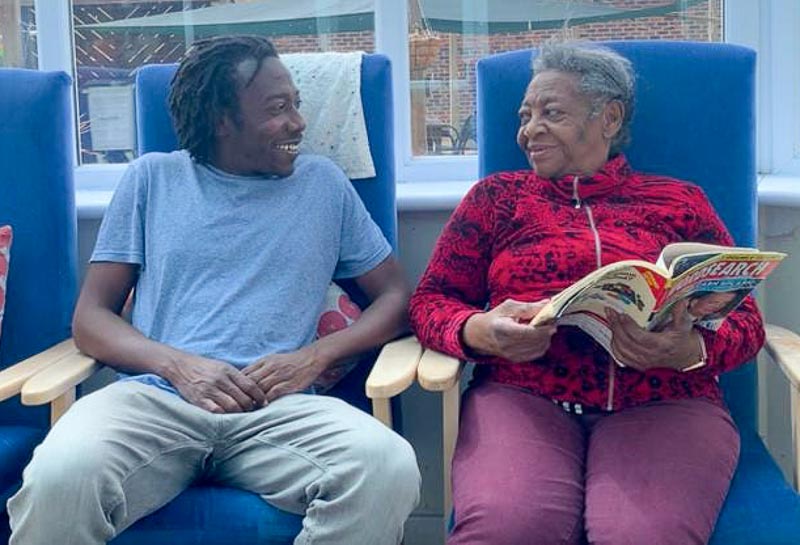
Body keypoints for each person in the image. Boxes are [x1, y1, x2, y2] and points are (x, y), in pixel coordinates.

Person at [8, 35, 420, 545]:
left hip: (277, 410)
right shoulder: (151, 180)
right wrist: (179, 367)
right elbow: (91, 319)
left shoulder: (323, 186)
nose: (298, 122)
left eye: (296, 103)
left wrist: (313, 358)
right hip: (156, 402)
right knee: (59, 478)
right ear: (223, 121)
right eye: (278, 108)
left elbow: (398, 300)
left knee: (386, 467)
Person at [409, 41, 764, 545]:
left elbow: (745, 319)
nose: (529, 130)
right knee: (507, 530)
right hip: (523, 395)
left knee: (640, 536)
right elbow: (430, 301)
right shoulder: (497, 199)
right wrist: (480, 331)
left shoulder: (679, 202)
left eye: (551, 113)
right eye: (525, 115)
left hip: (666, 398)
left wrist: (691, 350)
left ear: (610, 118)